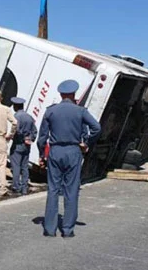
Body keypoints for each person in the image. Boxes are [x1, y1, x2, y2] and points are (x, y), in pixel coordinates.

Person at [38, 80, 101, 238]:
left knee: (53, 190)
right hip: (73, 151)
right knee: (71, 190)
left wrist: (42, 155)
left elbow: (42, 138)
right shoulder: (80, 111)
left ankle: (50, 229)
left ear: (60, 94)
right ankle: (67, 229)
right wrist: (86, 143)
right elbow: (96, 128)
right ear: (74, 94)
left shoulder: (50, 111)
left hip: (55, 151)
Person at [10, 97, 37, 195]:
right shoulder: (29, 117)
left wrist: (21, 138)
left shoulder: (16, 116)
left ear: (15, 106)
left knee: (16, 166)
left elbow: (17, 130)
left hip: (18, 144)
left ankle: (16, 187)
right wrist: (30, 138)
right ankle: (24, 188)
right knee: (25, 167)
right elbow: (35, 131)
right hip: (27, 146)